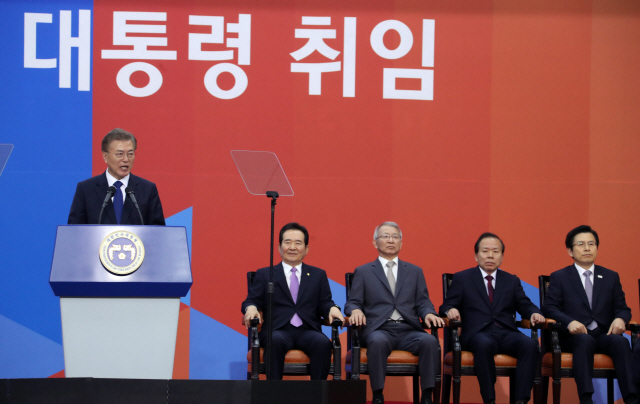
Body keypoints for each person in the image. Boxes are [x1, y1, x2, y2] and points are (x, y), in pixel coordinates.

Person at [439, 233, 544, 404]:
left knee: (530, 345)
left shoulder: (511, 280)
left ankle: (521, 400)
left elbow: (525, 304)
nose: (490, 255)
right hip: (477, 334)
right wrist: (450, 310)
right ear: (476, 255)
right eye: (485, 251)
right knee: (484, 344)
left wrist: (533, 313)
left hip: (506, 333)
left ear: (502, 257)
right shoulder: (463, 278)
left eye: (495, 251)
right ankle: (489, 400)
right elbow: (445, 306)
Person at [345, 222, 443, 404]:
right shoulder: (364, 271)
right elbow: (353, 302)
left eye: (395, 237)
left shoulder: (414, 271)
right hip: (379, 329)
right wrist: (356, 310)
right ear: (375, 243)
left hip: (408, 329)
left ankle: (427, 396)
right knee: (378, 341)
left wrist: (429, 313)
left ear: (401, 243)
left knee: (429, 341)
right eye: (385, 236)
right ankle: (378, 395)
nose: (391, 240)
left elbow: (423, 302)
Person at [542, 225, 638, 404]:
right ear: (570, 251)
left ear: (596, 248)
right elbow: (549, 308)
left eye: (591, 244)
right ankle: (586, 398)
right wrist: (569, 322)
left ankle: (632, 398)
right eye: (580, 244)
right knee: (584, 340)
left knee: (621, 341)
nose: (587, 248)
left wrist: (620, 318)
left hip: (602, 335)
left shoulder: (610, 277)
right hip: (573, 337)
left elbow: (623, 308)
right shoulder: (560, 277)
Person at [242, 222, 344, 380]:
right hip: (276, 330)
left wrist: (333, 308)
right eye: (287, 242)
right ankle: (274, 395)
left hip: (308, 331)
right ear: (279, 247)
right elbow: (251, 300)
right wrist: (251, 308)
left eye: (298, 243)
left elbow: (325, 302)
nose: (292, 247)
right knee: (274, 341)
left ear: (306, 249)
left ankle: (318, 396)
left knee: (323, 343)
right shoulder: (265, 274)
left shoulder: (318, 275)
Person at [68, 128, 165, 225]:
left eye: (130, 154)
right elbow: (75, 231)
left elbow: (158, 232)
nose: (126, 159)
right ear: (105, 156)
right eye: (120, 154)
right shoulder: (86, 189)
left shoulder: (147, 189)